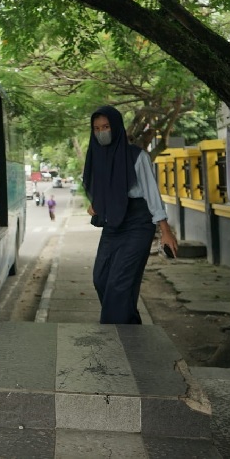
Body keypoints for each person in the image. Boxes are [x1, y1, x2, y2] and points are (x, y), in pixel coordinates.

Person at [83, 105, 178, 324]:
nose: (101, 132)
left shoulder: (137, 156)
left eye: (106, 127)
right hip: (113, 223)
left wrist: (165, 231)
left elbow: (152, 194)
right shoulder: (96, 156)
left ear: (116, 127)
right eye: (96, 128)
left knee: (118, 284)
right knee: (101, 279)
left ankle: (114, 340)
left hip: (137, 222)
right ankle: (131, 328)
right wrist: (95, 205)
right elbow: (97, 187)